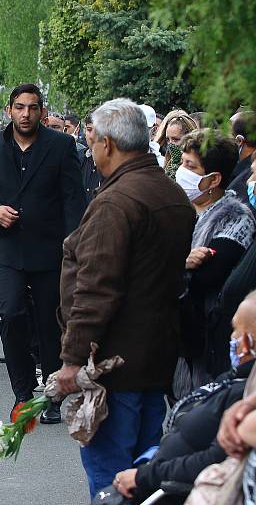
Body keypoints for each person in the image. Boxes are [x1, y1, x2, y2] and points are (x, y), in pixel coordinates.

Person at [54, 98, 196, 497]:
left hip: (116, 365)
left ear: (108, 144)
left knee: (113, 482)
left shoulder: (118, 201)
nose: (92, 147)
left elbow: (96, 286)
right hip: (155, 357)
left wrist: (71, 358)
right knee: (144, 478)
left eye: (94, 139)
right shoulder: (166, 191)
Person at [0, 83, 86, 423]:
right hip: (7, 248)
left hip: (50, 250)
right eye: (20, 107)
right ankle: (22, 393)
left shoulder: (62, 145)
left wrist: (73, 247)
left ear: (42, 112)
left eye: (33, 108)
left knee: (50, 324)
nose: (25, 113)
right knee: (10, 315)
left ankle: (51, 396)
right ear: (10, 110)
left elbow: (73, 200)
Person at [109, 291, 256, 502]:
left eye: (236, 330)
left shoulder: (241, 394)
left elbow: (213, 458)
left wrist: (143, 477)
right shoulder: (241, 381)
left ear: (248, 342)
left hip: (173, 486)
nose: (231, 337)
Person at [176, 129, 255, 388]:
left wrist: (174, 265)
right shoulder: (178, 209)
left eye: (191, 166)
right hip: (176, 338)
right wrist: (181, 261)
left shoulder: (234, 218)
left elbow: (206, 276)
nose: (181, 171)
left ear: (213, 179)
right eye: (181, 163)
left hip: (210, 340)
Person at [153, 109, 198, 179]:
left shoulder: (198, 166)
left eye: (176, 139)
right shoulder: (167, 165)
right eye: (168, 139)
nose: (170, 144)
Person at [80, 111, 104, 201]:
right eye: (89, 130)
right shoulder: (76, 159)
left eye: (98, 131)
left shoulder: (117, 163)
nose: (93, 136)